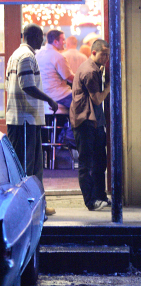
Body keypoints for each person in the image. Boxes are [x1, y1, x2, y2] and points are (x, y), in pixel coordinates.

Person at [5, 23, 58, 216]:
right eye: (41, 37)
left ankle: (38, 207)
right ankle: (26, 210)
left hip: (25, 119)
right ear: (34, 36)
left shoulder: (14, 56)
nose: (43, 41)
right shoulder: (26, 56)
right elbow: (27, 86)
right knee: (26, 169)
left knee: (34, 166)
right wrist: (49, 99)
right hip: (24, 120)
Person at [70, 39, 111, 211]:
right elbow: (97, 99)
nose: (106, 58)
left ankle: (100, 196)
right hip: (85, 121)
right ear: (93, 53)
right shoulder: (89, 72)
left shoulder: (93, 68)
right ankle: (90, 201)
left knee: (100, 161)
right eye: (103, 54)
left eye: (108, 54)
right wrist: (109, 86)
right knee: (87, 163)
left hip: (94, 121)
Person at [36, 29, 75, 110]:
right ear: (56, 42)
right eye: (63, 40)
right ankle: (76, 123)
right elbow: (70, 79)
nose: (64, 42)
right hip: (59, 96)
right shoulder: (58, 56)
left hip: (42, 96)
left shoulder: (38, 53)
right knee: (85, 102)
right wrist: (83, 78)